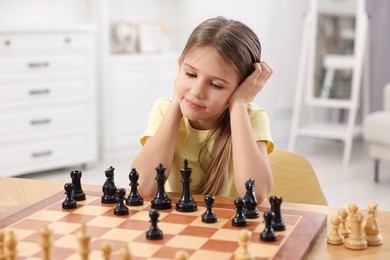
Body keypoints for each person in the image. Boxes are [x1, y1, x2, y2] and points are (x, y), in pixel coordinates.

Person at [132, 16, 274, 202]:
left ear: (242, 87)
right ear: (180, 66)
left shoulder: (251, 117)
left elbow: (257, 194)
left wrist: (239, 104)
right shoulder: (163, 110)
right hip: (176, 226)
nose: (197, 91)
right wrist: (177, 102)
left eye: (216, 85)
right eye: (190, 74)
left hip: (229, 228)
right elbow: (142, 187)